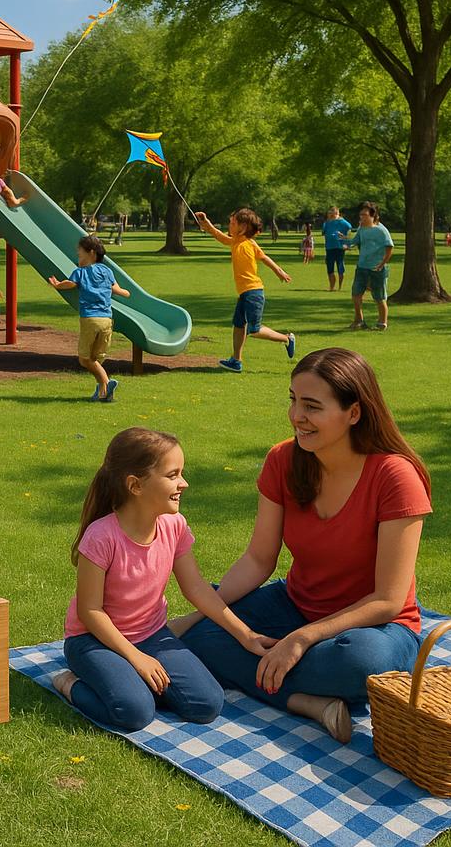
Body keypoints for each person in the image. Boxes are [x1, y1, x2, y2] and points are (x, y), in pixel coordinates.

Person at [173, 348, 431, 745]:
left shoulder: (395, 477)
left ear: (354, 413)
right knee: (206, 637)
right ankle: (307, 701)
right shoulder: (283, 460)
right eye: (293, 400)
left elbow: (388, 600)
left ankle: (302, 678)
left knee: (362, 663)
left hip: (374, 627)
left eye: (312, 406)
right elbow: (259, 560)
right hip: (295, 604)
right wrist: (203, 613)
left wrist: (301, 639)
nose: (297, 416)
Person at [52, 428, 275, 732]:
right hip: (92, 640)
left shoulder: (174, 526)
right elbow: (89, 612)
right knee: (135, 712)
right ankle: (69, 683)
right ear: (135, 485)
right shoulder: (102, 537)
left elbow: (196, 587)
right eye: (173, 475)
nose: (184, 483)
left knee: (207, 703)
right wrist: (137, 659)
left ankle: (128, 680)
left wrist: (245, 634)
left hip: (151, 634)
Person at [194, 208, 295, 373]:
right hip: (244, 293)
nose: (229, 224)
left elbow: (264, 258)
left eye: (232, 222)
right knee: (239, 325)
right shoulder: (235, 241)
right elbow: (218, 235)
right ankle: (236, 361)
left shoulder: (250, 243)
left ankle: (287, 339)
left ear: (243, 227)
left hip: (254, 292)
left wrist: (279, 271)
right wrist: (206, 223)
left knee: (254, 330)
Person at [48, 235, 131, 403]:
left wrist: (57, 285)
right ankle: (102, 393)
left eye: (80, 253)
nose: (77, 255)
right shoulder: (107, 271)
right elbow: (117, 289)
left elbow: (70, 284)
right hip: (107, 320)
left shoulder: (80, 273)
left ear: (91, 253)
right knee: (97, 358)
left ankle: (107, 383)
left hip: (90, 319)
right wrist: (126, 293)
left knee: (85, 359)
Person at [342, 201, 394, 331]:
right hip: (362, 267)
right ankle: (359, 320)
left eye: (364, 215)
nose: (361, 217)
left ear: (373, 215)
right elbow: (355, 241)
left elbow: (389, 248)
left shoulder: (382, 231)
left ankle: (382, 323)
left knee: (379, 297)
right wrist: (346, 242)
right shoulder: (362, 228)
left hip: (377, 269)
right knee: (356, 294)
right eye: (361, 215)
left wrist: (382, 264)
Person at [321, 207, 353, 291]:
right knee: (330, 267)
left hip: (339, 247)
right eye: (329, 214)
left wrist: (344, 238)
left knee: (340, 267)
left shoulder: (342, 222)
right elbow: (324, 232)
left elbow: (349, 228)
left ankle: (340, 287)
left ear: (337, 214)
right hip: (329, 247)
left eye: (333, 214)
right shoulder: (327, 223)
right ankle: (332, 287)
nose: (331, 215)